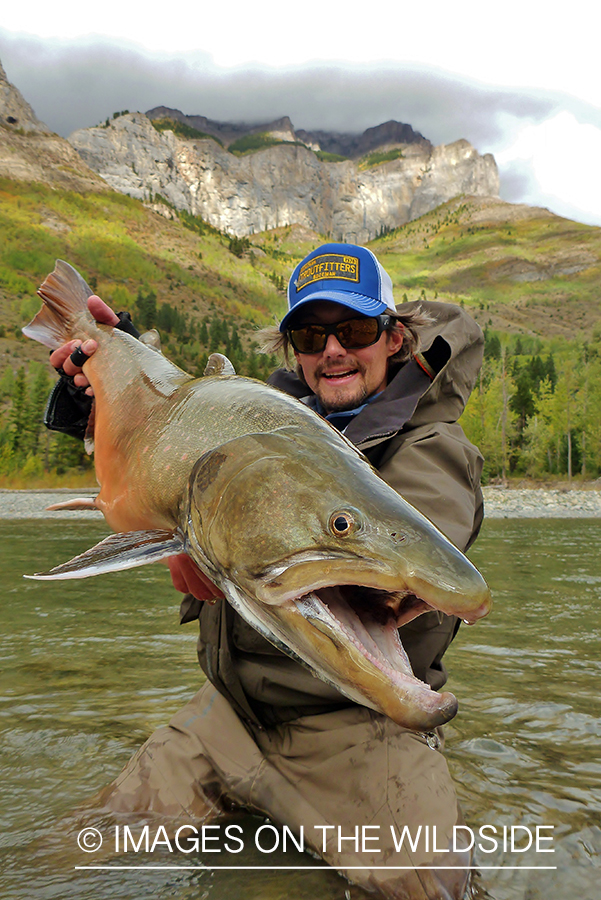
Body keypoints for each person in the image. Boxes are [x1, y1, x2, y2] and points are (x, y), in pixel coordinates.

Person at [46, 243, 484, 899]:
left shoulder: (433, 447)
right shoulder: (255, 413)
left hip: (356, 735)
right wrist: (106, 393)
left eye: (355, 330)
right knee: (63, 861)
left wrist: (226, 539)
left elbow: (423, 545)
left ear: (394, 338)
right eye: (311, 334)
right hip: (228, 715)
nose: (332, 349)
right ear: (294, 352)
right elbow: (168, 450)